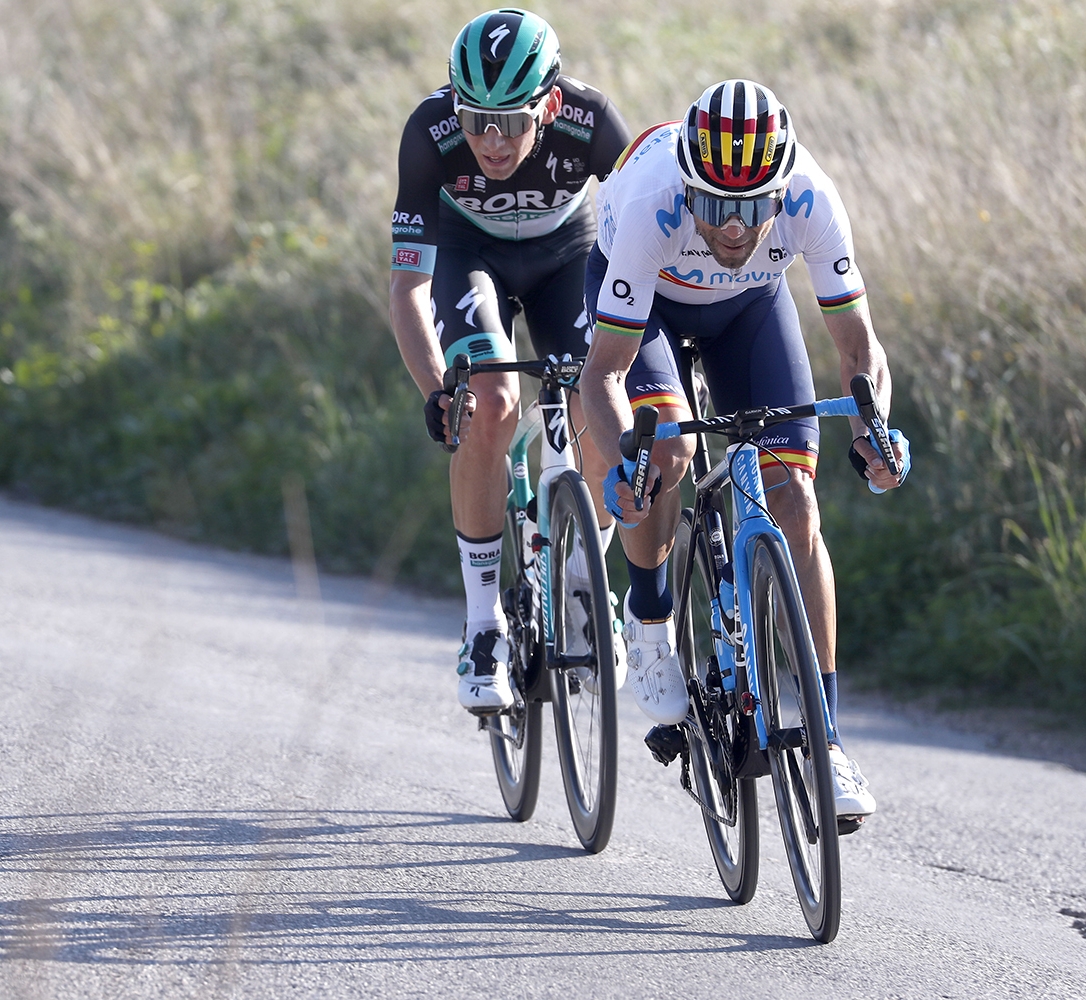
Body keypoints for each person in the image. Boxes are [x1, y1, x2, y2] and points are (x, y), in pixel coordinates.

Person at [579, 79, 910, 821]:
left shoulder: (812, 199)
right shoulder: (648, 205)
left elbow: (860, 353)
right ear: (688, 187)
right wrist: (626, 459)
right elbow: (604, 373)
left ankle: (825, 740)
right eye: (717, 206)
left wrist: (875, 428)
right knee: (664, 451)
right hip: (647, 308)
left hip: (751, 309)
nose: (734, 229)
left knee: (796, 502)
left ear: (780, 188)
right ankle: (652, 612)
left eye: (753, 207)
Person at [388, 8, 632, 713]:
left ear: (550, 106)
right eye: (475, 122)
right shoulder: (429, 135)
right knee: (488, 405)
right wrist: (437, 390)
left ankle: (588, 579)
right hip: (473, 259)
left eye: (513, 123)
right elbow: (409, 285)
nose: (491, 142)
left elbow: (645, 244)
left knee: (596, 396)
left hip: (570, 254)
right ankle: (484, 622)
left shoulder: (591, 122)